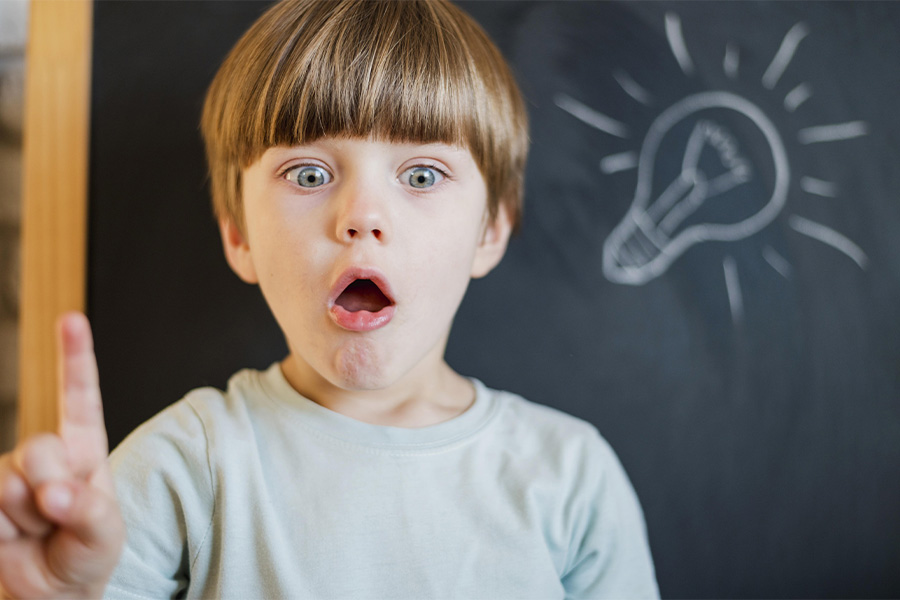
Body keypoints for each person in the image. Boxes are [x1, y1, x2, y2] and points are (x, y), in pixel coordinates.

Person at [0, 0, 659, 597]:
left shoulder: (571, 480)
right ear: (239, 236)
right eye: (309, 174)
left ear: (490, 231)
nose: (362, 215)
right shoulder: (183, 468)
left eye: (422, 175)